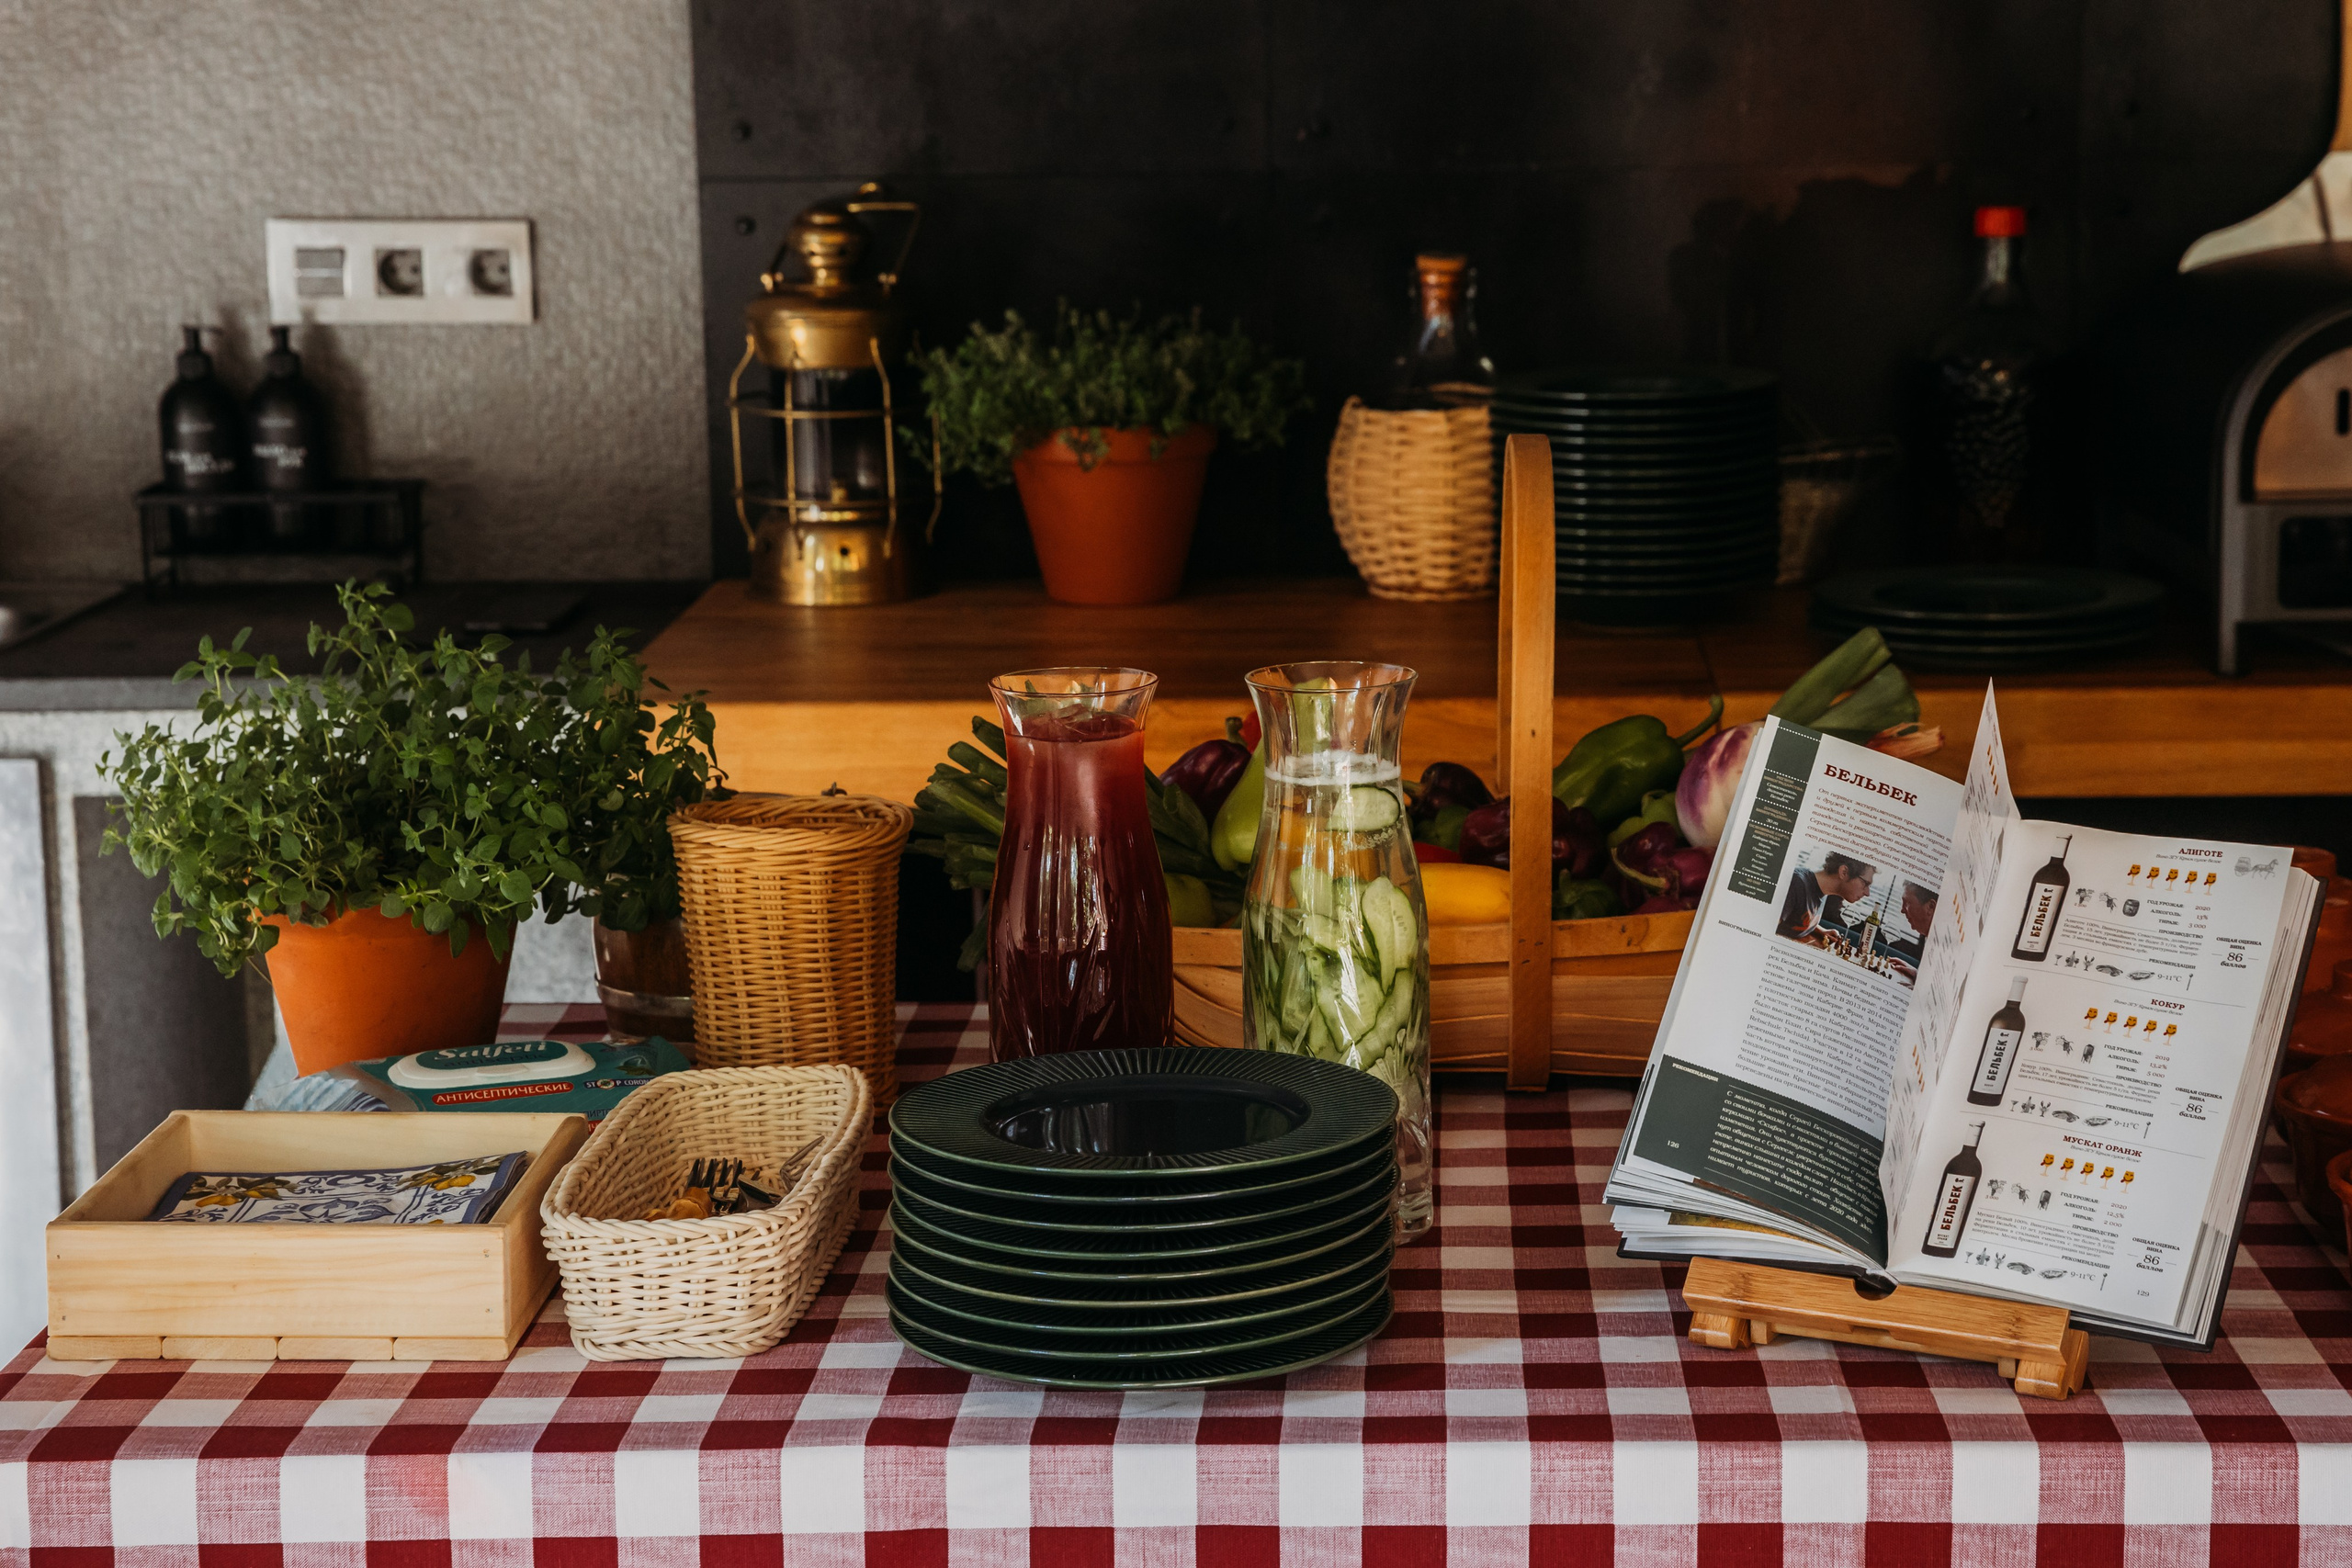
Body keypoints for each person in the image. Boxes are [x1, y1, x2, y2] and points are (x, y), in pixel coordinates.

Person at [1777, 852, 1875, 943]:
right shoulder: (1795, 884)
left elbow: (1797, 918)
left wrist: (1821, 932)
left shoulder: (1823, 891)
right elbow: (1766, 928)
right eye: (1865, 883)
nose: (1868, 893)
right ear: (1844, 872)